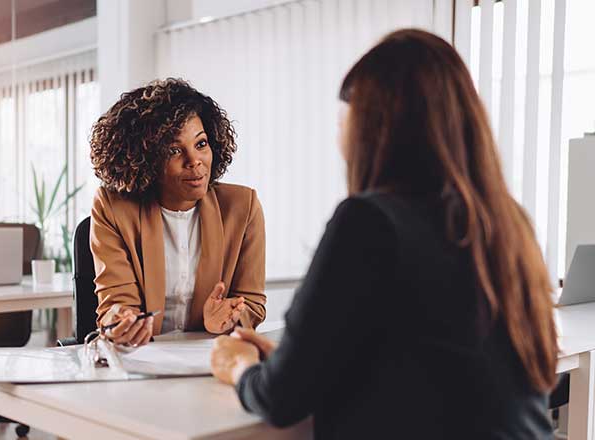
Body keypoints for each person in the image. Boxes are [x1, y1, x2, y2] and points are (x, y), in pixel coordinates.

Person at [210, 29, 558, 439]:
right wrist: (291, 361)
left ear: (372, 125)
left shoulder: (369, 222)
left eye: (345, 114)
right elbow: (421, 362)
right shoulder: (506, 221)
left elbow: (282, 398)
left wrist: (240, 367)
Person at [88, 78, 266, 347]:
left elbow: (251, 303)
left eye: (201, 144)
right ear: (145, 159)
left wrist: (230, 317)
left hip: (208, 362)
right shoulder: (113, 208)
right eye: (173, 150)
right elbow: (115, 302)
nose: (194, 160)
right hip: (142, 360)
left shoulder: (242, 207)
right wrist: (122, 321)